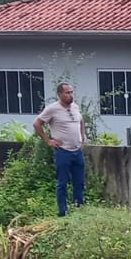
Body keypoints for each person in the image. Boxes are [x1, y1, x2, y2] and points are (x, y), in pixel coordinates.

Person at [35, 81, 86, 216]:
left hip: (77, 151)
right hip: (63, 151)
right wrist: (48, 140)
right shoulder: (52, 109)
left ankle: (79, 208)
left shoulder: (75, 107)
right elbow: (37, 124)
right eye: (67, 93)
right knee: (62, 183)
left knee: (79, 182)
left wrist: (83, 136)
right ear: (59, 94)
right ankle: (63, 211)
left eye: (71, 92)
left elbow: (81, 120)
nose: (70, 95)